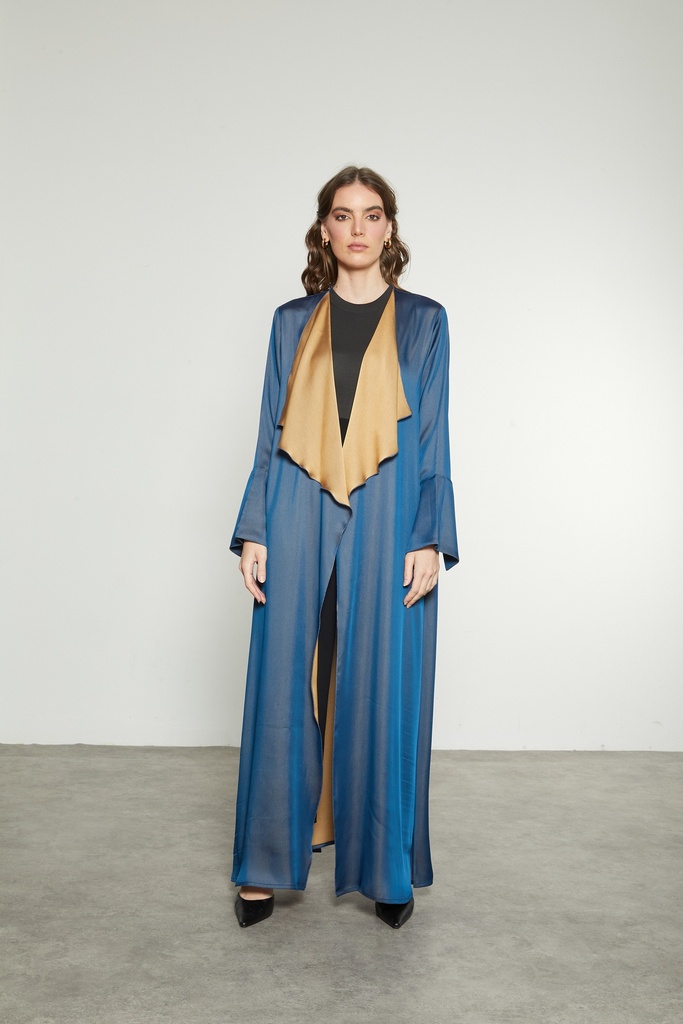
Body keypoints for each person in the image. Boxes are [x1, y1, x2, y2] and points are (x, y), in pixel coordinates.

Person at [230, 166, 458, 929]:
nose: (356, 228)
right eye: (341, 214)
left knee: (381, 677)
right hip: (295, 503)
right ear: (323, 229)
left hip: (391, 511)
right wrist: (254, 527)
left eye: (371, 214)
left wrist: (429, 535)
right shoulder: (290, 322)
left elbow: (433, 438)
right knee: (283, 675)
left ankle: (385, 867)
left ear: (389, 228)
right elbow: (268, 430)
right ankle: (263, 865)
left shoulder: (425, 321)